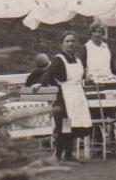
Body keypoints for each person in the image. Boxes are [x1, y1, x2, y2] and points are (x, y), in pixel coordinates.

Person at [39, 33, 92, 162]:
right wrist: (40, 84)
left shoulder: (78, 59)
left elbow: (80, 77)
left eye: (73, 41)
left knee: (74, 125)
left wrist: (87, 78)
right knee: (64, 125)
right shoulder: (58, 59)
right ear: (62, 43)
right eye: (67, 41)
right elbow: (48, 74)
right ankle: (57, 155)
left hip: (77, 95)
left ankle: (69, 154)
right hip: (64, 97)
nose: (70, 44)